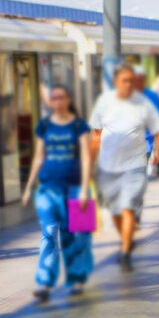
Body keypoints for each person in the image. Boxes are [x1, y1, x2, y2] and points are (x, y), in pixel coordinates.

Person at [90, 64, 159, 272]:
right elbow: (96, 136)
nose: (128, 84)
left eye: (131, 80)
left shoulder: (143, 104)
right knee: (116, 211)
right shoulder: (104, 103)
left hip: (135, 165)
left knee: (128, 208)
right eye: (124, 80)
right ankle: (125, 237)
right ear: (116, 82)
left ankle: (125, 251)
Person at [22, 85, 93, 302]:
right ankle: (44, 282)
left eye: (61, 97)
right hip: (48, 189)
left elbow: (86, 158)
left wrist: (83, 189)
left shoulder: (80, 125)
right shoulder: (44, 125)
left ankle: (77, 278)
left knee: (77, 235)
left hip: (74, 189)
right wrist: (28, 187)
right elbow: (38, 157)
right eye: (54, 98)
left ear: (68, 99)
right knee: (49, 235)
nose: (57, 101)